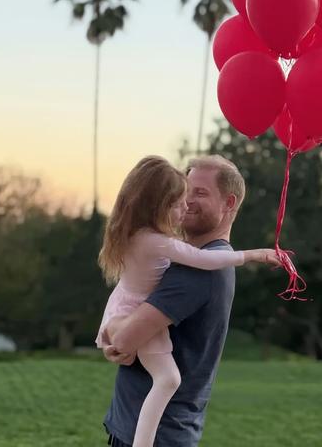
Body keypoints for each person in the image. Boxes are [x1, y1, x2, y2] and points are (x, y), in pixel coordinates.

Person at [97, 155, 277, 447]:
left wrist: (112, 332)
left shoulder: (198, 271)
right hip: (147, 428)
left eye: (200, 193)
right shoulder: (178, 256)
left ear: (229, 203)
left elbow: (124, 340)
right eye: (185, 190)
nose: (187, 200)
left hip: (157, 436)